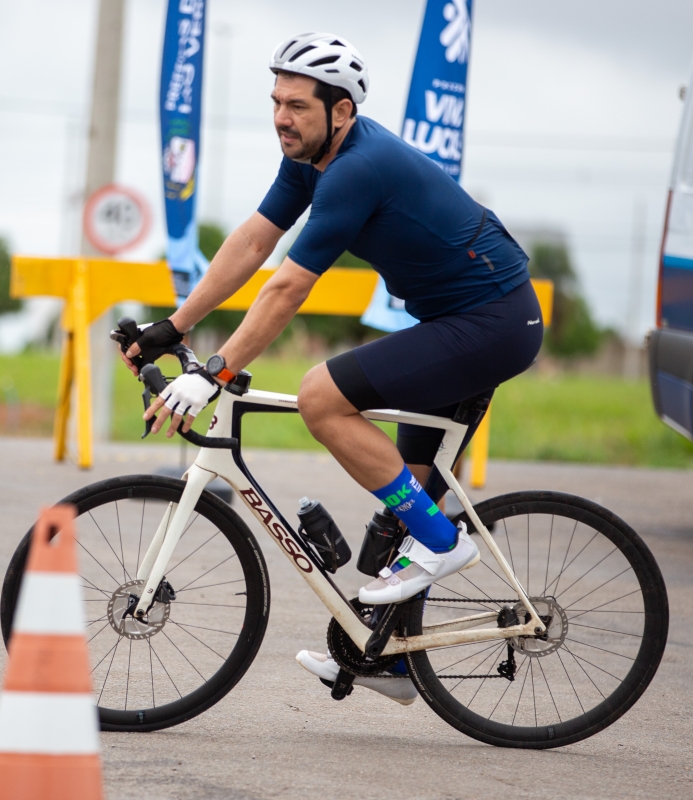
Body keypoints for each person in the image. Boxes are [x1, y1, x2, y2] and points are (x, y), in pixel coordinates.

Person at [119, 32, 542, 704]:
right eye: (276, 102)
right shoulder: (308, 160)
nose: (281, 117)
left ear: (341, 111)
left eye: (297, 105)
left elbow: (287, 286)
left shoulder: (356, 169)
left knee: (320, 397)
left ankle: (443, 541)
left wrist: (215, 372)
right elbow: (252, 242)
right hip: (456, 321)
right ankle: (395, 661)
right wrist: (175, 325)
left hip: (492, 323)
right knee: (401, 510)